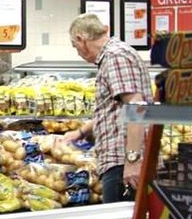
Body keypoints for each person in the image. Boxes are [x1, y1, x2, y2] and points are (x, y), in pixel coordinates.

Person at [65, 13, 153, 203]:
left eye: (75, 46)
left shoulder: (115, 57)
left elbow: (136, 106)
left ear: (82, 39)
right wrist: (80, 132)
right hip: (119, 159)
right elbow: (116, 109)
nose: (77, 52)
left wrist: (132, 160)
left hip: (122, 161)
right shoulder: (114, 55)